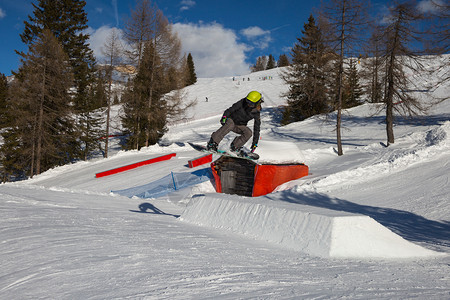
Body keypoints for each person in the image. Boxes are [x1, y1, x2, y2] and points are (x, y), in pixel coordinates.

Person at [207, 91, 263, 156]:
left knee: (248, 133)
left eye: (251, 103)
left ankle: (235, 147)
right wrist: (224, 117)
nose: (248, 104)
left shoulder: (256, 113)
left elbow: (257, 129)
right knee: (230, 125)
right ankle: (213, 143)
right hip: (231, 120)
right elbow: (230, 110)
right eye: (247, 101)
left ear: (257, 103)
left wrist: (255, 143)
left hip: (239, 126)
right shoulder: (242, 102)